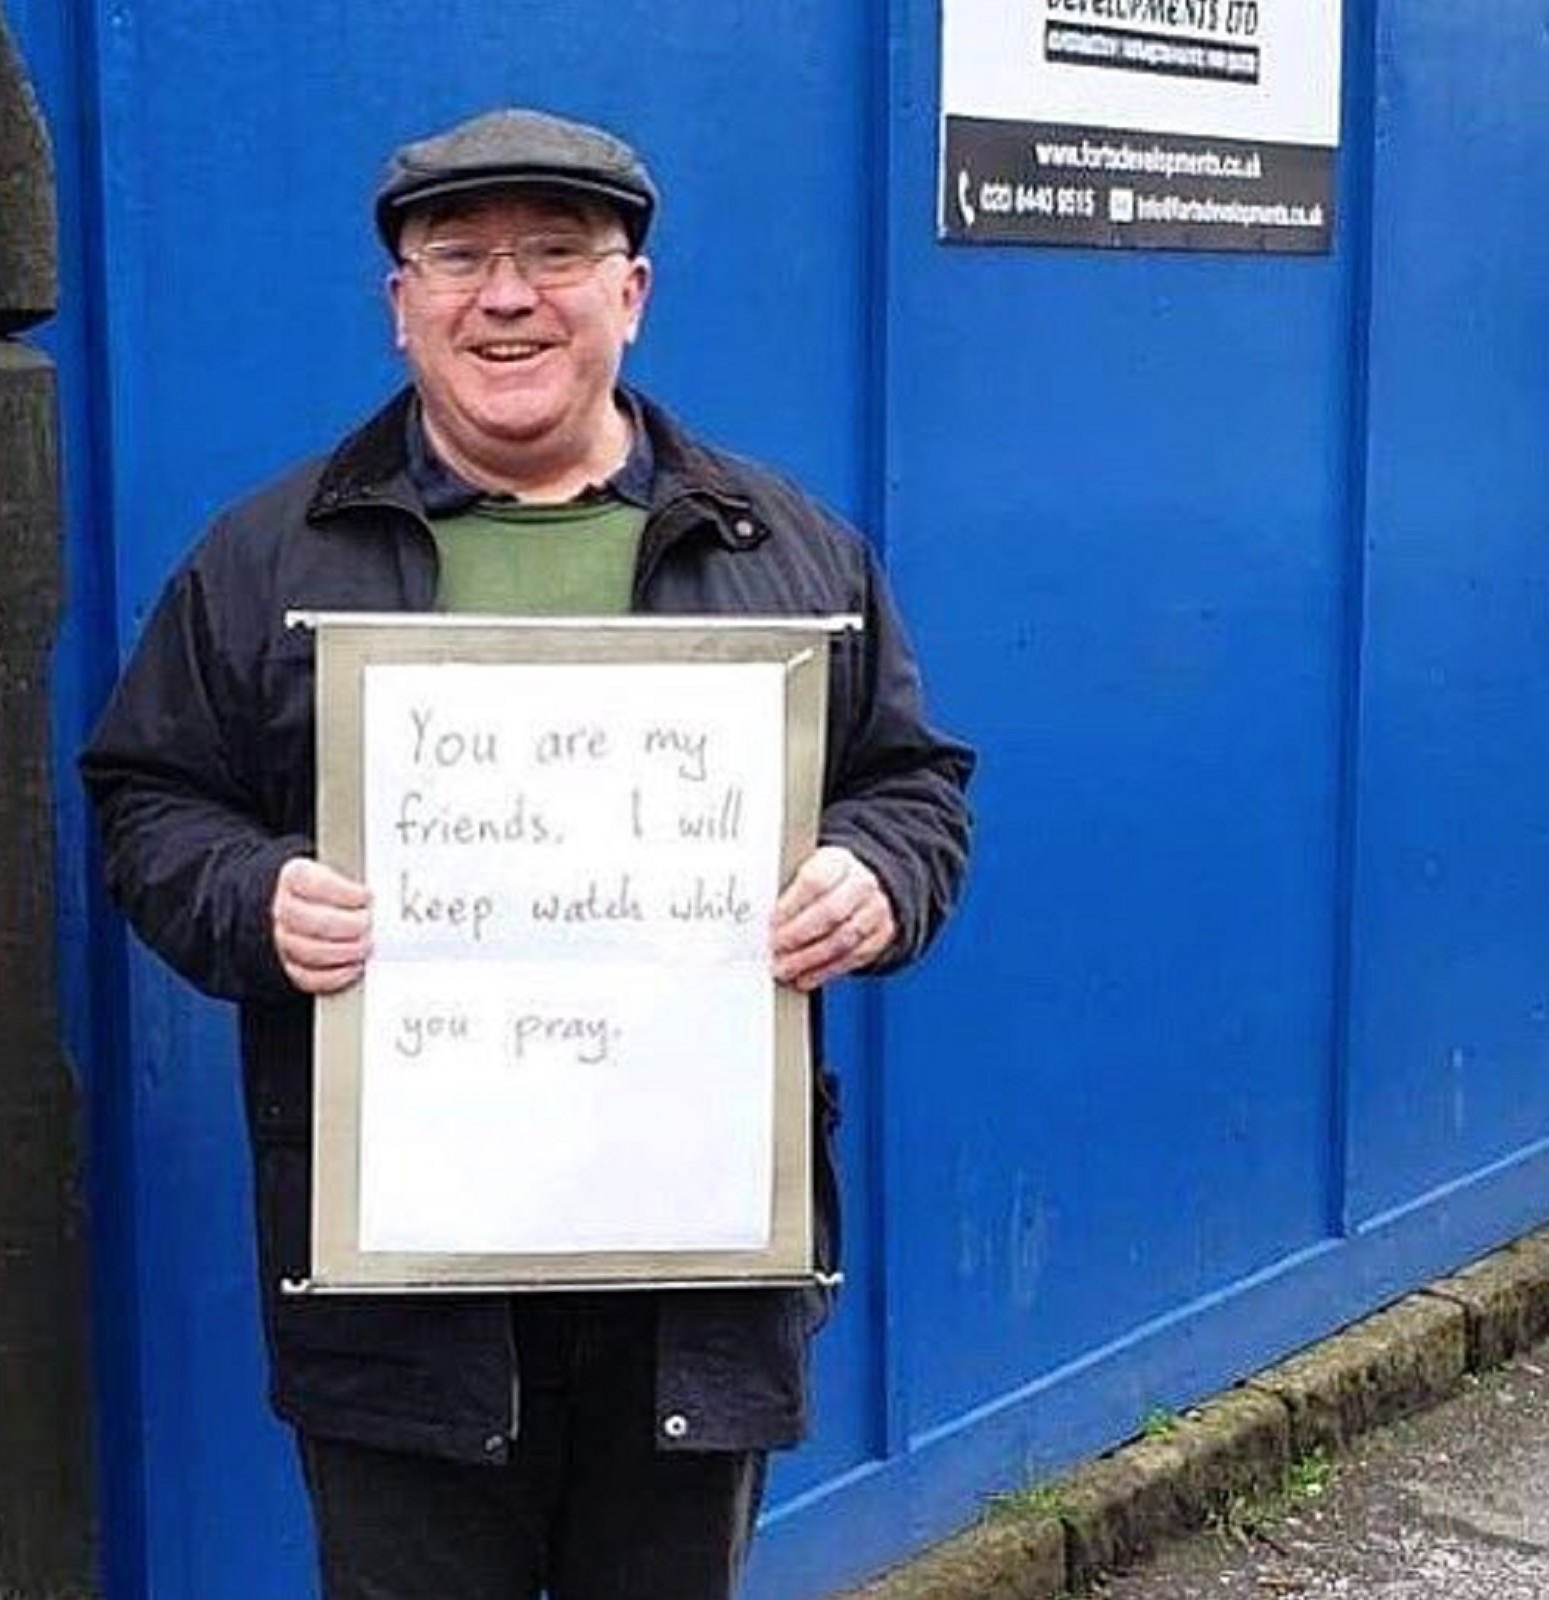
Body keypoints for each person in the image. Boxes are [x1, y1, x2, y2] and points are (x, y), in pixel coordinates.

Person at [81, 106, 974, 1600]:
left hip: (685, 1283)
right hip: (403, 1302)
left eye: (558, 253)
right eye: (460, 256)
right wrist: (250, 897)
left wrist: (877, 873)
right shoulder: (264, 560)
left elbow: (916, 787)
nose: (508, 295)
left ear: (631, 292)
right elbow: (147, 799)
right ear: (400, 307)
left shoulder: (790, 556)